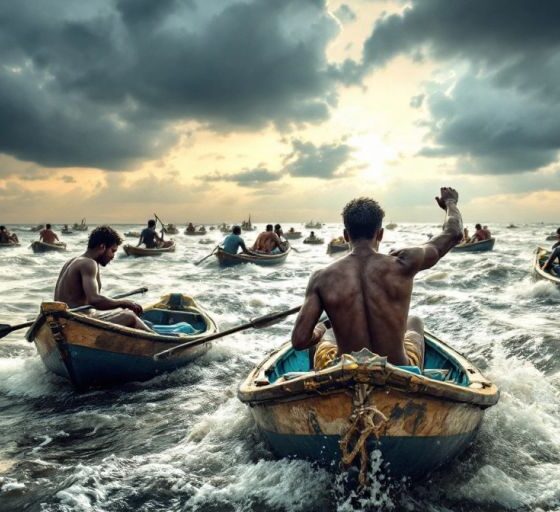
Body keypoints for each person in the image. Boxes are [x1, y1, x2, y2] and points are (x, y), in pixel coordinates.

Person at [291, 187, 463, 370]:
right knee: (415, 322)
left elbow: (300, 340)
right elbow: (453, 233)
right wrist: (450, 203)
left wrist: (320, 330)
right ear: (380, 233)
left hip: (346, 370)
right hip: (398, 369)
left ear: (346, 235)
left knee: (327, 334)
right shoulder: (404, 263)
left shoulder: (322, 277)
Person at [54, 225, 152, 331]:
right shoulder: (89, 263)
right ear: (102, 247)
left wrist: (115, 303)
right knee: (130, 316)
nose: (113, 256)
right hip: (77, 322)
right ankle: (160, 343)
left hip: (65, 321)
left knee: (122, 314)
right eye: (113, 251)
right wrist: (125, 303)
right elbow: (95, 300)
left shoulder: (72, 261)